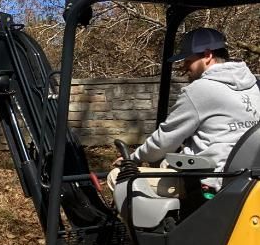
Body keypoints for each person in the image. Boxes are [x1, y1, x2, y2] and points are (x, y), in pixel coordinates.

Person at [110, 27, 260, 196]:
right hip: (248, 181)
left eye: (188, 60)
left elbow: (164, 141)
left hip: (209, 182)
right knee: (164, 165)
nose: (184, 66)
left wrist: (133, 158)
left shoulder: (200, 90)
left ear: (208, 55)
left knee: (117, 177)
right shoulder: (254, 85)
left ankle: (158, 223)